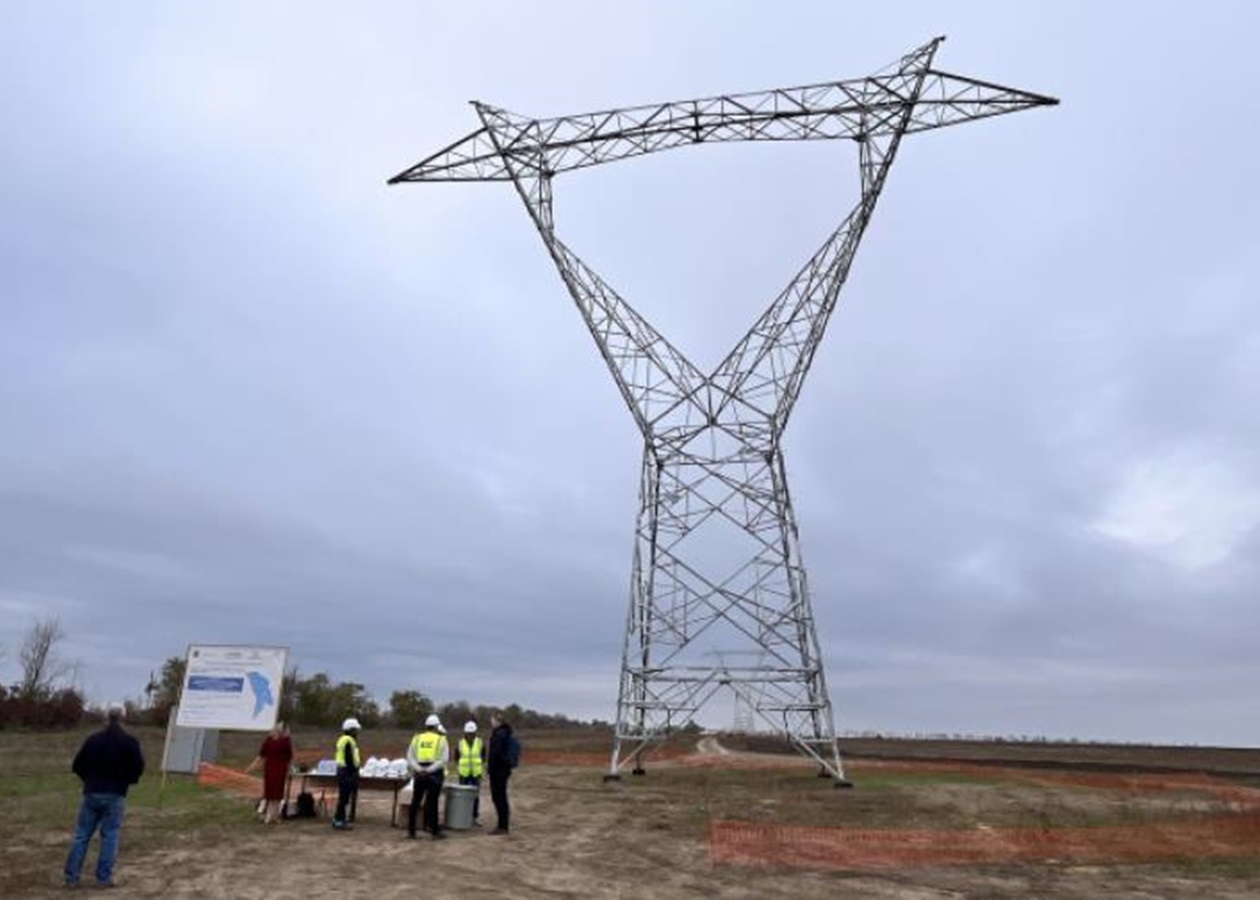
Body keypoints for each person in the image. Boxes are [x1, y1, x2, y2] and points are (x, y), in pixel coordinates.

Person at [63, 703, 145, 888]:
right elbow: (138, 767)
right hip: (116, 794)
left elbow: (77, 765)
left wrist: (88, 780)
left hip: (91, 792)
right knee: (110, 836)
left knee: (82, 835)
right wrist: (128, 781)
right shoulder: (129, 742)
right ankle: (103, 878)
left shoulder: (93, 740)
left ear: (106, 717)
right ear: (123, 718)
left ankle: (71, 877)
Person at [406, 713, 448, 840]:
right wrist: (429, 770)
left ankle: (411, 831)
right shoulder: (441, 739)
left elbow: (410, 756)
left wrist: (419, 769)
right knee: (432, 802)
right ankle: (434, 831)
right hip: (434, 774)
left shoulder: (417, 738)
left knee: (415, 801)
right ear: (436, 726)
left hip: (419, 773)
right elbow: (443, 760)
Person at [246, 721, 293, 824]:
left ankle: (274, 815)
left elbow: (289, 757)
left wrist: (289, 769)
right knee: (270, 792)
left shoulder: (286, 741)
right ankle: (269, 815)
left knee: (278, 792)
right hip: (270, 768)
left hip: (281, 768)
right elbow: (261, 755)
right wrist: (252, 766)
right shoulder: (268, 741)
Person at [487, 712, 515, 835]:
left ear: (497, 721)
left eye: (492, 720)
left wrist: (490, 769)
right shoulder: (505, 733)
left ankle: (502, 826)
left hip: (498, 771)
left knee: (498, 797)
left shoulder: (498, 735)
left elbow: (495, 754)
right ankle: (503, 825)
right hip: (504, 769)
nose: (491, 722)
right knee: (501, 797)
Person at [332, 717, 361, 830]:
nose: (357, 732)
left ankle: (339, 819)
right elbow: (349, 758)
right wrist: (353, 770)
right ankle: (339, 820)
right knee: (344, 798)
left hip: (343, 770)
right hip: (346, 771)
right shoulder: (348, 740)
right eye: (355, 730)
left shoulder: (343, 739)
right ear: (350, 729)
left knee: (343, 797)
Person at [456, 720, 486, 825]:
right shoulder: (460, 743)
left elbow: (483, 756)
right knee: (462, 796)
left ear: (475, 733)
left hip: (476, 773)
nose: (470, 735)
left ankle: (473, 818)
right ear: (465, 733)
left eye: (472, 733)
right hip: (463, 773)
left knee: (475, 796)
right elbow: (456, 757)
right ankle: (462, 816)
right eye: (468, 733)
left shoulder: (479, 742)